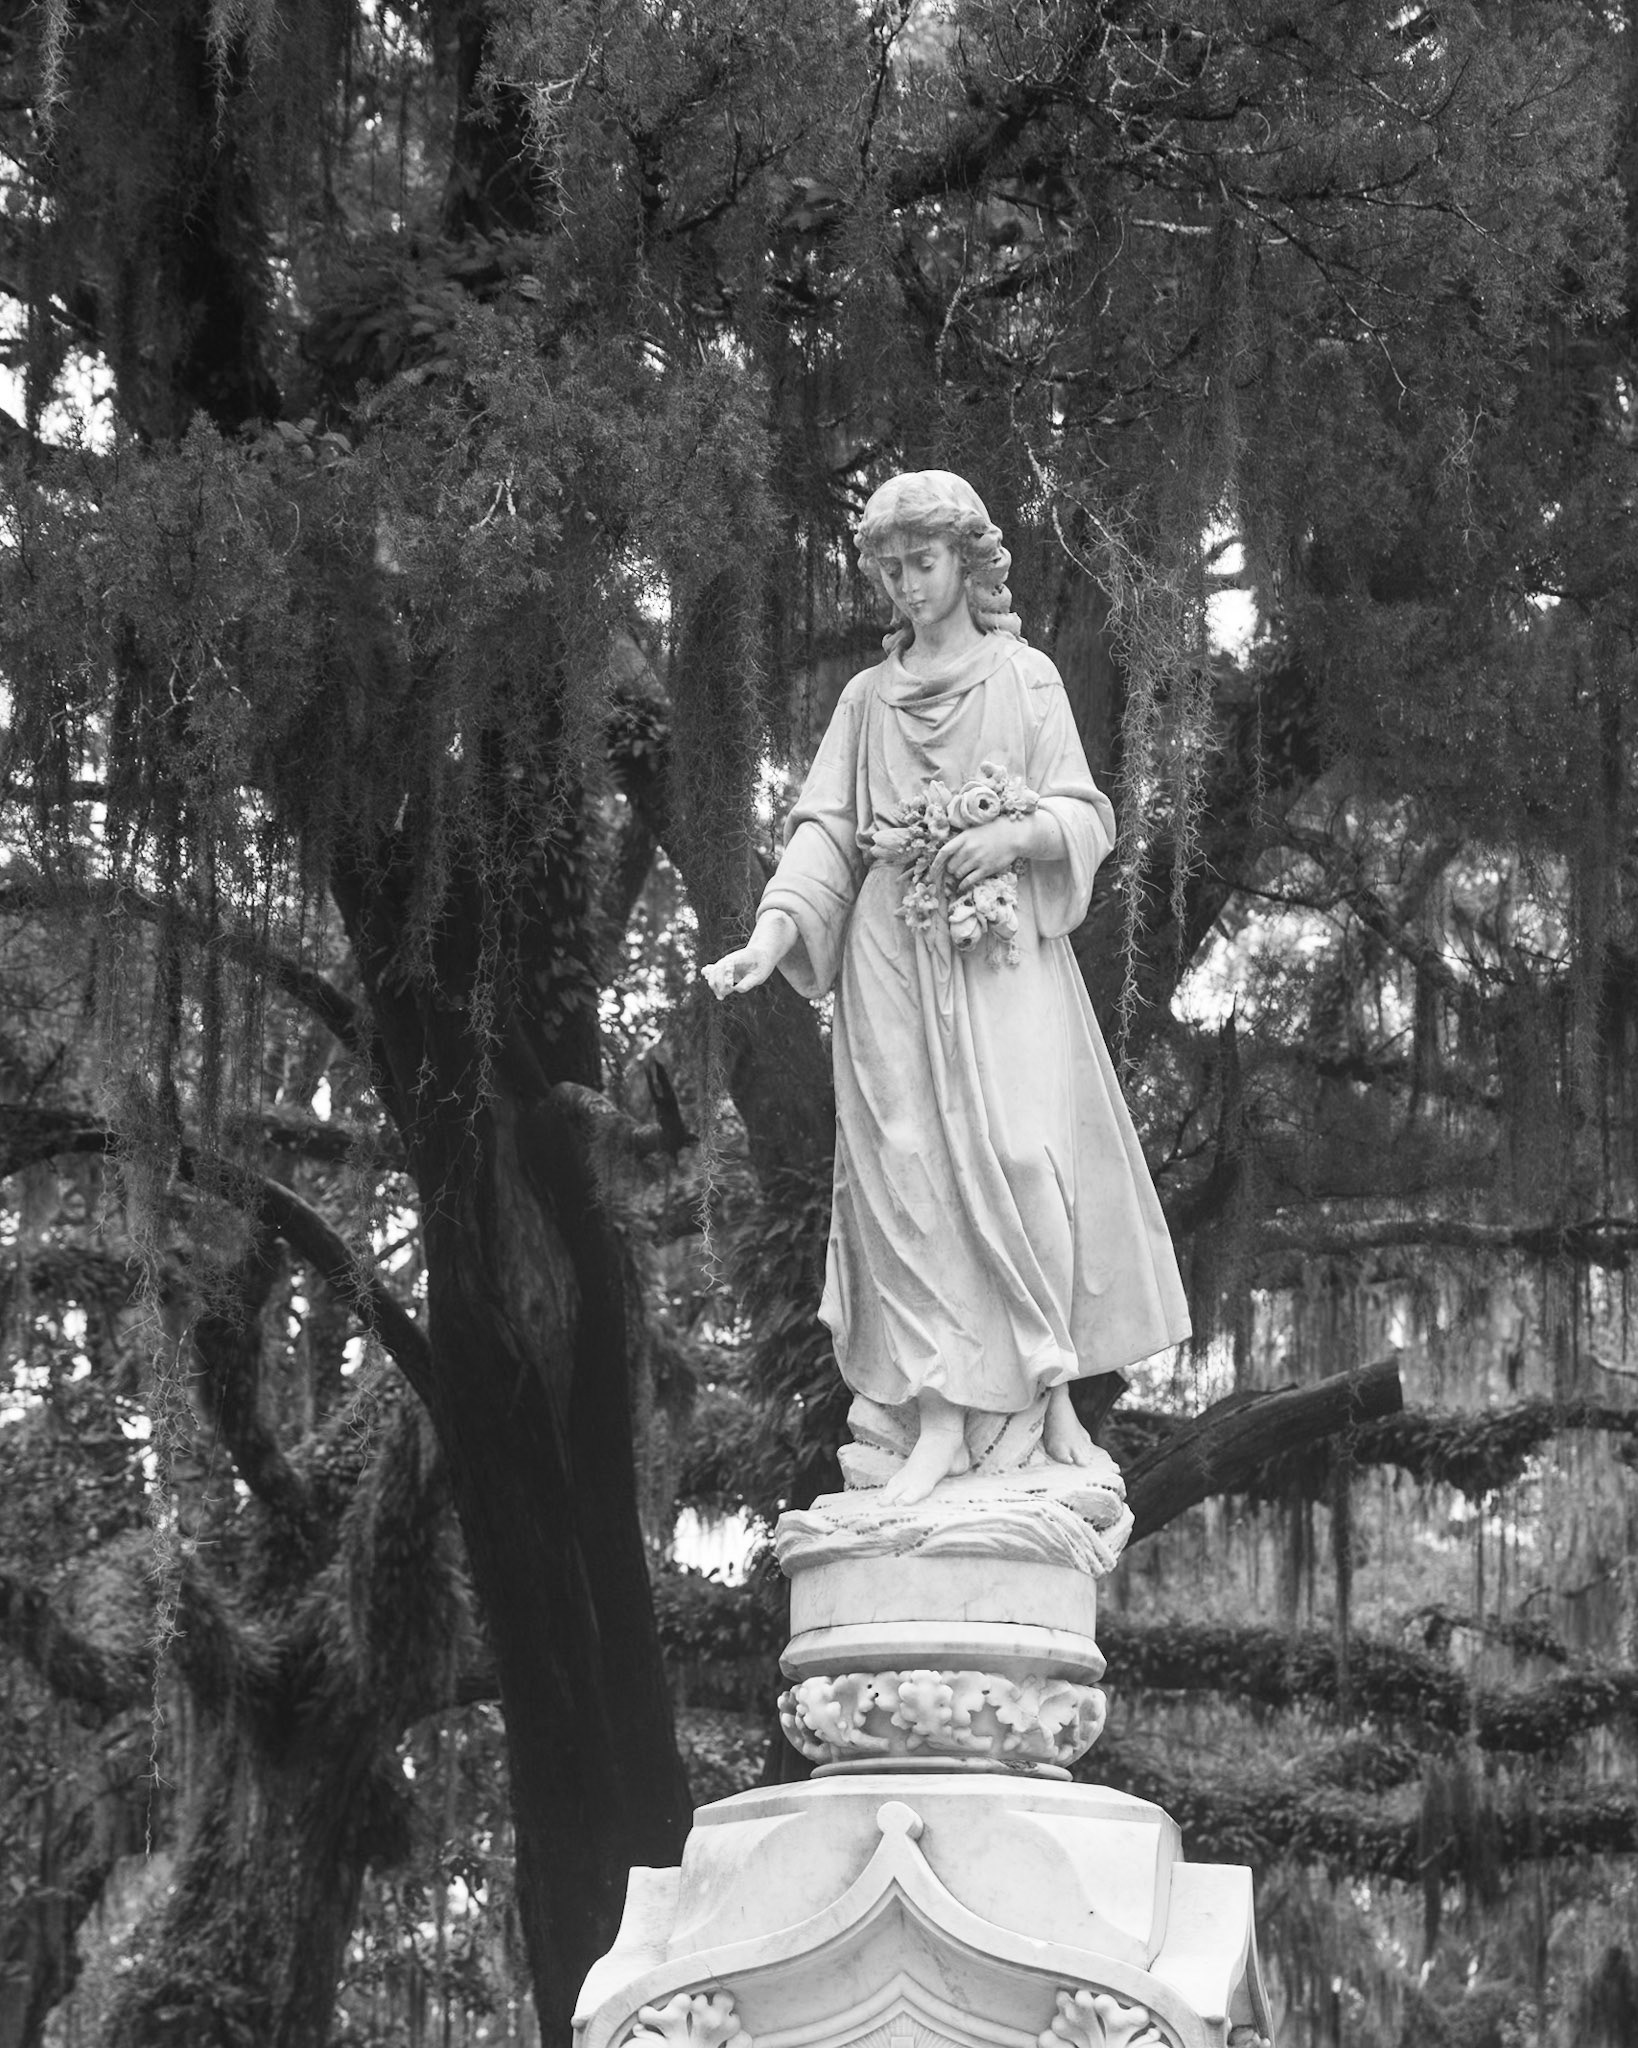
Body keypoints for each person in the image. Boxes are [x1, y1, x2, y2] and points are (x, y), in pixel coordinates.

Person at [704, 471, 1189, 1504]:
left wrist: (1012, 834)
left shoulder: (1025, 678)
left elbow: (1088, 815)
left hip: (1001, 949)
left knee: (1025, 1157)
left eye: (920, 562)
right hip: (890, 953)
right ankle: (934, 1415)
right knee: (910, 1180)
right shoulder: (866, 699)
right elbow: (826, 832)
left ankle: (1045, 1394)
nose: (905, 584)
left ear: (966, 561)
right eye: (888, 568)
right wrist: (772, 929)